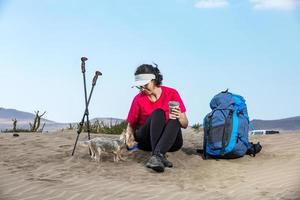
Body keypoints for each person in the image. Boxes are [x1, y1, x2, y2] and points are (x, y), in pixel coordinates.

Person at [125, 64, 188, 173]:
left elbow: (185, 124)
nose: (142, 88)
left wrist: (181, 116)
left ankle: (157, 155)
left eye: (145, 84)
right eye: (139, 86)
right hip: (146, 140)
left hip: (170, 143)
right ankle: (158, 155)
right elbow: (131, 125)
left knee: (174, 118)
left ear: (154, 80)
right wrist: (128, 139)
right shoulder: (138, 99)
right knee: (158, 113)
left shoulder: (172, 93)